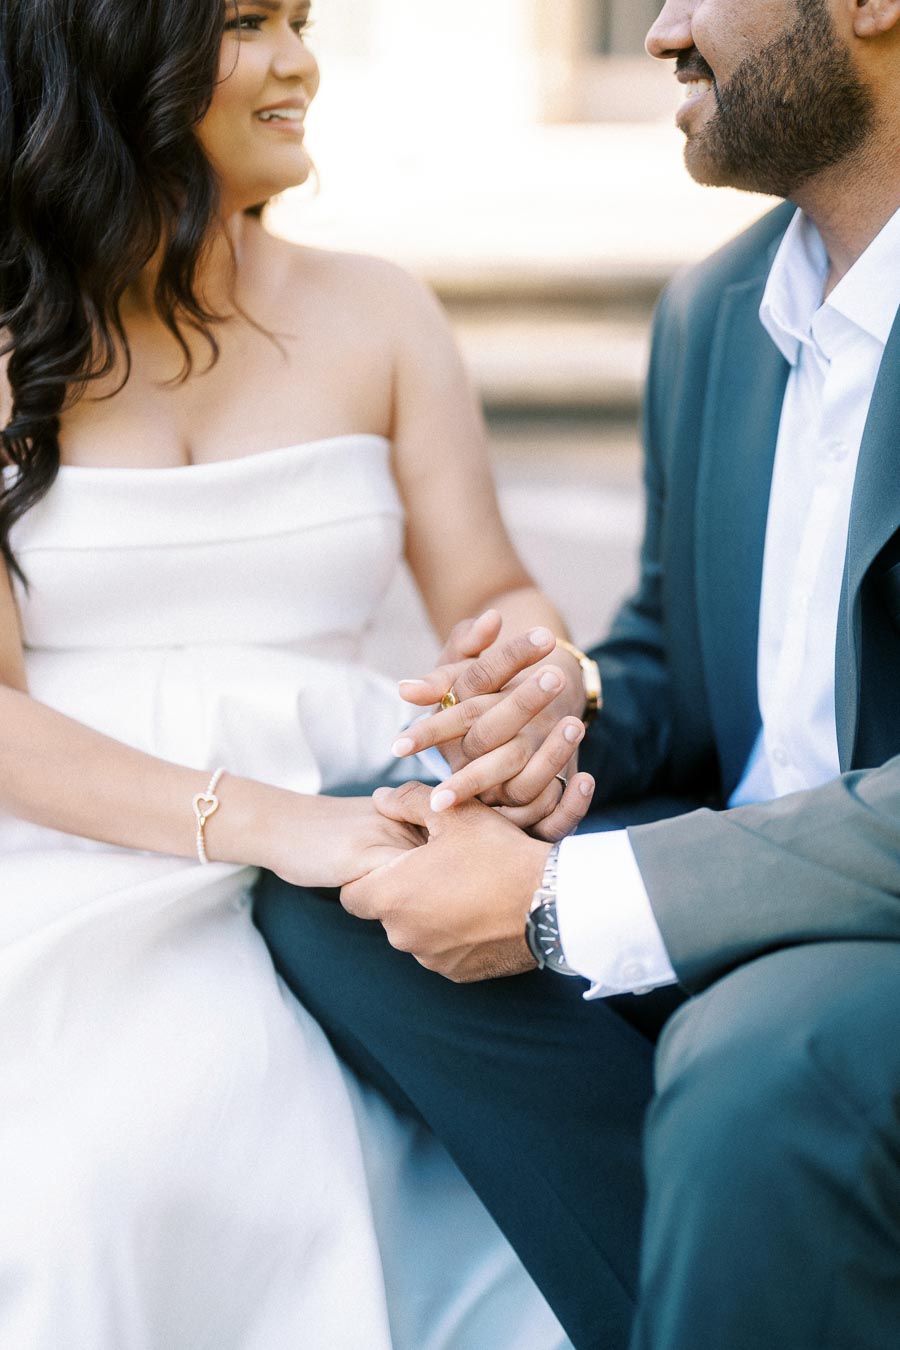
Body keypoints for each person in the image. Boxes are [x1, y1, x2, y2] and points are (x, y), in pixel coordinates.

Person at [255, 1, 900, 1347]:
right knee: (348, 879)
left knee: (752, 1063)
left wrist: (562, 904)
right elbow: (674, 649)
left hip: (865, 922)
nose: (660, 31)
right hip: (732, 866)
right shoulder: (715, 312)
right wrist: (558, 711)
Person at [0, 0, 591, 1343]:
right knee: (104, 1174)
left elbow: (491, 590)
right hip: (75, 849)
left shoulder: (380, 312)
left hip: (370, 836)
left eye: (303, 20)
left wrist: (533, 677)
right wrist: (279, 825)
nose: (300, 61)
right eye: (247, 23)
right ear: (111, 48)